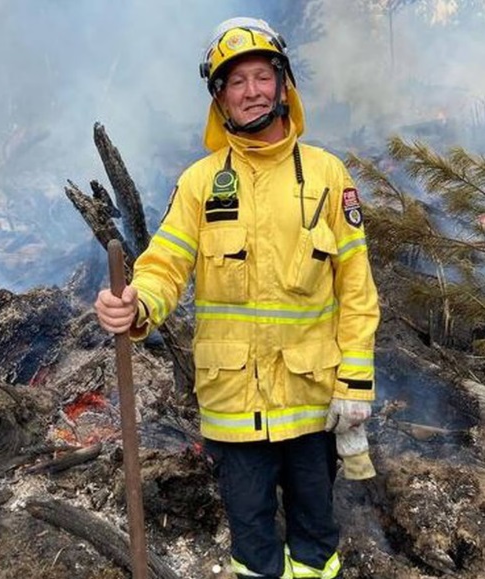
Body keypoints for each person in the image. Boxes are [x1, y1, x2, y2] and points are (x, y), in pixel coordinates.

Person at [95, 17, 380, 579]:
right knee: (251, 544)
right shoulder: (201, 182)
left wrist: (355, 383)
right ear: (219, 98)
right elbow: (165, 266)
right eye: (236, 82)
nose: (251, 92)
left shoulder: (327, 174)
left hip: (312, 401)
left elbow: (357, 290)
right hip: (234, 410)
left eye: (261, 77)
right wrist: (137, 305)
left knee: (316, 542)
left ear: (283, 85)